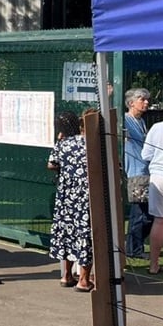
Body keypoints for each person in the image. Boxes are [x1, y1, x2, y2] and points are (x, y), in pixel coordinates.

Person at [47, 111, 93, 291]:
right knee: (85, 234)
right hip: (85, 195)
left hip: (65, 196)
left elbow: (51, 164)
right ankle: (84, 280)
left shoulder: (62, 144)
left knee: (66, 231)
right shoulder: (88, 143)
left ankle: (66, 276)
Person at [123, 87, 151, 259]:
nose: (146, 102)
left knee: (147, 214)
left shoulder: (141, 122)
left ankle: (136, 246)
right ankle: (134, 249)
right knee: (139, 213)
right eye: (142, 99)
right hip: (135, 174)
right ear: (131, 103)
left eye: (147, 99)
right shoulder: (125, 121)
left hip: (145, 172)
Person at [142, 118, 163, 274]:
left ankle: (153, 265)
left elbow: (146, 154)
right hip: (158, 175)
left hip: (158, 176)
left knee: (159, 220)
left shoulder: (157, 127)